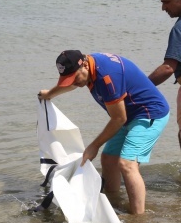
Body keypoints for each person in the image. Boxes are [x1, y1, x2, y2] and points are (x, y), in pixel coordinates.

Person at [38, 50, 169, 214]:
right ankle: (113, 205)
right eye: (68, 79)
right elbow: (73, 82)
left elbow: (118, 119)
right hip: (128, 115)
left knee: (127, 164)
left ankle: (139, 221)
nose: (74, 83)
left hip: (149, 113)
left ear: (85, 64)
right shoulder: (87, 67)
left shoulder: (107, 77)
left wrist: (94, 145)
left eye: (75, 78)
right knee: (108, 159)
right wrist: (49, 94)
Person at [148, 0, 181, 150]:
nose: (163, 8)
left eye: (166, 2)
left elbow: (168, 68)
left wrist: (140, 86)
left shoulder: (179, 29)